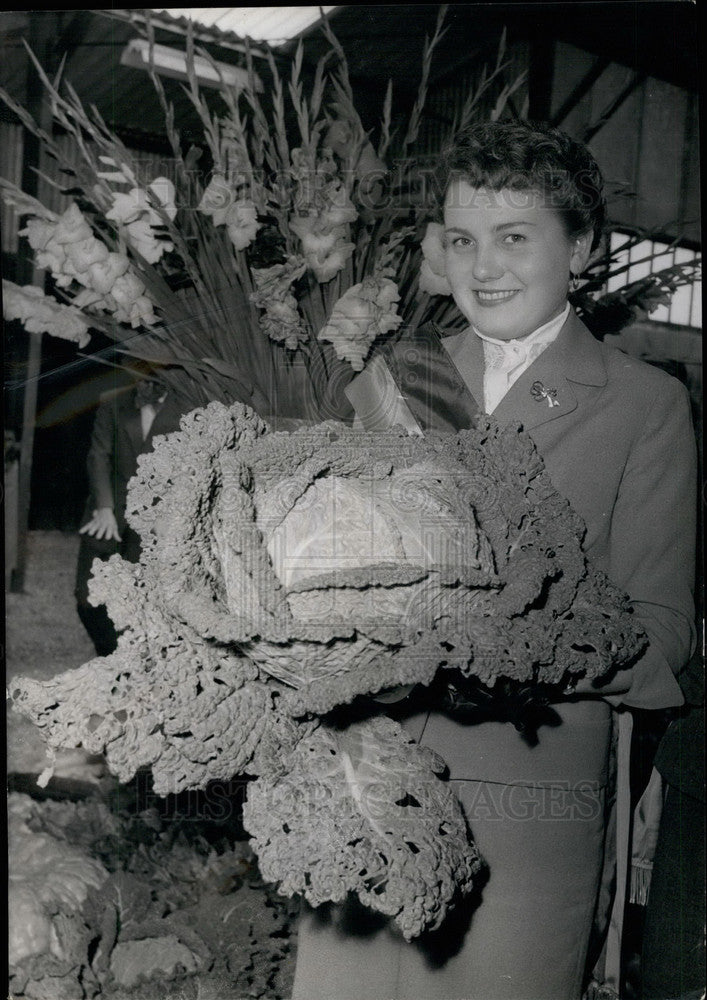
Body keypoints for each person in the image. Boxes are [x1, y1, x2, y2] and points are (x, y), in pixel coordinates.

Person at [291, 120, 697, 1000]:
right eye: (462, 239)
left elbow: (663, 638)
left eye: (515, 238)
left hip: (526, 794)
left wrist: (509, 641)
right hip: (365, 775)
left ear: (580, 248)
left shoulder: (642, 404)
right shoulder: (396, 377)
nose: (483, 267)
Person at [75, 378, 187, 655]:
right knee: (87, 598)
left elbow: (190, 469)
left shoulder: (189, 405)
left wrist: (169, 515)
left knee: (143, 599)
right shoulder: (113, 401)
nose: (144, 380)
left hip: (158, 521)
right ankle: (110, 655)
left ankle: (133, 662)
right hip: (108, 512)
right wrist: (104, 507)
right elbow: (98, 456)